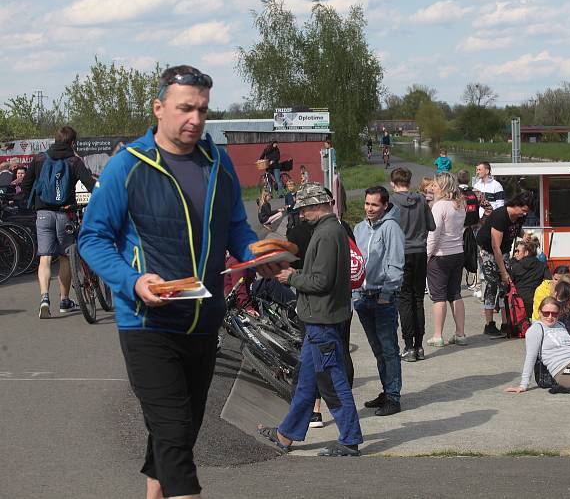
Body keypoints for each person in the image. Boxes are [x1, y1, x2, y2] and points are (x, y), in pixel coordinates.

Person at [79, 65, 264, 498]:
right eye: (185, 108)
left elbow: (236, 223)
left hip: (203, 319)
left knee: (177, 432)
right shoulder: (129, 165)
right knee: (176, 437)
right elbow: (92, 238)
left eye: (202, 109)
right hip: (148, 323)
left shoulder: (215, 160)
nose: (195, 120)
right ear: (159, 108)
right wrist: (132, 280)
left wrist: (256, 253)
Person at [259, 182, 363, 456]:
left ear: (318, 206)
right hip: (320, 318)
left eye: (305, 209)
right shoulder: (332, 230)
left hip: (322, 320)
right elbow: (322, 273)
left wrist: (290, 277)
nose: (302, 215)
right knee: (306, 382)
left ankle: (350, 439)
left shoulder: (327, 234)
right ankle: (285, 435)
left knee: (332, 381)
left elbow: (322, 281)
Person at [21, 126, 96, 318]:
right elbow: (91, 185)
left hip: (43, 214)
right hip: (65, 214)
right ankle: (64, 300)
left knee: (44, 258)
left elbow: (26, 184)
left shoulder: (39, 158)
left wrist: (35, 201)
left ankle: (44, 299)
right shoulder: (74, 161)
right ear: (72, 142)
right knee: (65, 257)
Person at [353, 186, 405, 416]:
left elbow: (395, 264)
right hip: (363, 299)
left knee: (389, 350)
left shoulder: (391, 227)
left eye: (374, 204)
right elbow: (354, 262)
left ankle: (393, 397)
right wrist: (355, 293)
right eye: (367, 204)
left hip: (382, 299)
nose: (369, 209)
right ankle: (386, 390)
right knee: (378, 351)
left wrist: (386, 294)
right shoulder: (358, 228)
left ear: (385, 206)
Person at [389, 167, 435, 362]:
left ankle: (408, 346)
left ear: (393, 183)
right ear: (409, 181)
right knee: (418, 299)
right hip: (420, 252)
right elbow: (431, 226)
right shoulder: (422, 200)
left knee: (404, 300)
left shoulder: (391, 202)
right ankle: (419, 345)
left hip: (401, 254)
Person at [475, 192, 530, 337]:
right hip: (488, 250)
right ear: (516, 205)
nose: (524, 214)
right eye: (523, 210)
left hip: (504, 250)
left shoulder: (519, 217)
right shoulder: (500, 216)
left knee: (505, 286)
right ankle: (489, 324)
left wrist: (524, 236)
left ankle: (506, 322)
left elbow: (515, 230)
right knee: (492, 284)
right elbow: (495, 247)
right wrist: (503, 272)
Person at [426, 172, 467, 347]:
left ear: (442, 187)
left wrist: (427, 255)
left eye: (435, 185)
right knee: (455, 294)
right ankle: (460, 333)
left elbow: (433, 234)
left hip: (440, 255)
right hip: (458, 253)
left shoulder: (439, 206)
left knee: (438, 297)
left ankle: (437, 335)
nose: (431, 187)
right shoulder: (460, 204)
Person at [509, 236, 550, 321]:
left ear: (526, 252)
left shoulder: (515, 266)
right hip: (535, 300)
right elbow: (548, 281)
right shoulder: (542, 266)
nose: (516, 253)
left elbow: (509, 283)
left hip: (519, 302)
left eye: (517, 251)